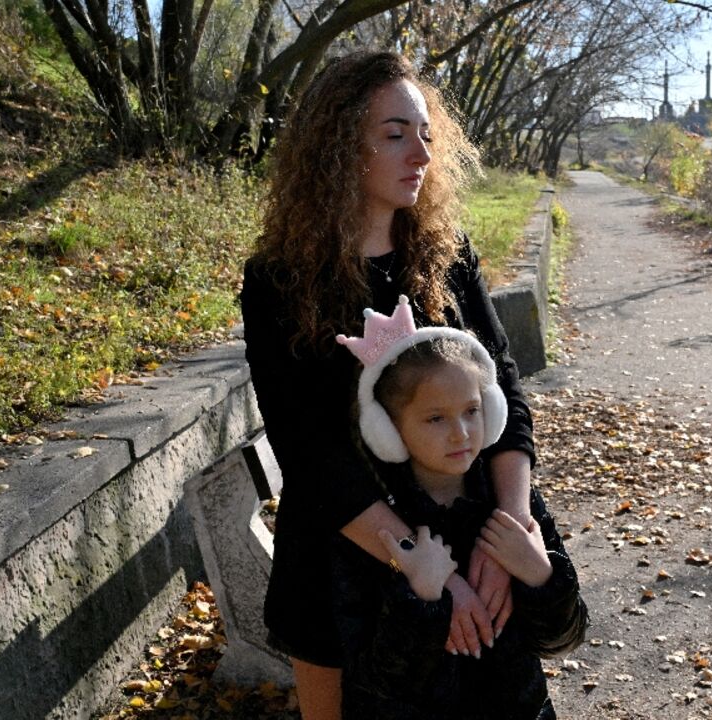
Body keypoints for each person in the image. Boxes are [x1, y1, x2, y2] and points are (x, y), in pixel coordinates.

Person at [238, 51, 537, 719]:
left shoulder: (448, 254)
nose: (421, 154)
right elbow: (309, 453)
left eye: (426, 134)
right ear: (339, 145)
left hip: (468, 539)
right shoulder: (278, 281)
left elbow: (503, 394)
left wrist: (507, 533)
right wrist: (428, 572)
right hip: (338, 565)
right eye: (395, 134)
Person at [330, 299, 587, 719]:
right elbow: (377, 683)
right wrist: (422, 597)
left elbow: (563, 638)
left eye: (471, 411)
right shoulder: (380, 531)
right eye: (436, 418)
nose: (461, 433)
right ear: (387, 431)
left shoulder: (509, 505)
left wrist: (540, 575)